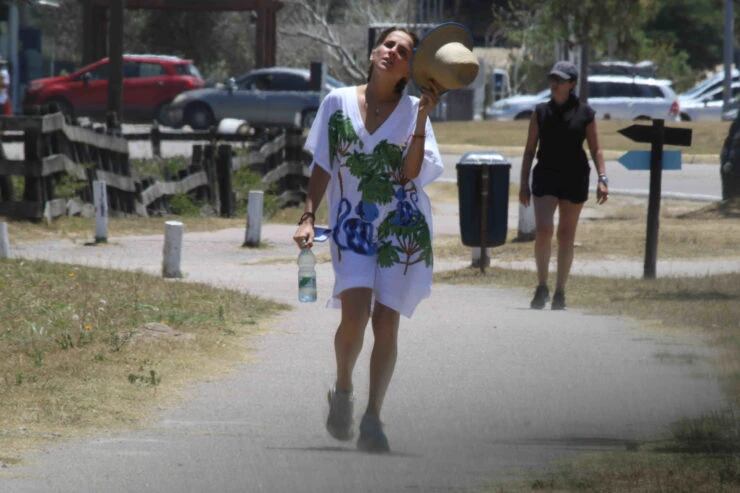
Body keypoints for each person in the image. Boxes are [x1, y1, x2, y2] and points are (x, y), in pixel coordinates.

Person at [292, 26, 445, 453]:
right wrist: (308, 216)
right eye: (388, 44)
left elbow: (413, 172)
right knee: (355, 315)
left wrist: (422, 120)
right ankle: (343, 390)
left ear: (410, 68)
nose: (393, 52)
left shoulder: (417, 109)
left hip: (402, 230)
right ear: (376, 50)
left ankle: (374, 416)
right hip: (352, 225)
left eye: (404, 51)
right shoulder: (337, 102)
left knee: (386, 324)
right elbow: (323, 162)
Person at [519, 61, 609, 310]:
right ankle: (541, 285)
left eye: (560, 79)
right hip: (546, 174)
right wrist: (523, 183)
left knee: (566, 235)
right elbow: (529, 151)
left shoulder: (585, 113)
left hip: (574, 176)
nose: (554, 83)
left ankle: (560, 291)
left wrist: (603, 178)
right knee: (544, 230)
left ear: (571, 84)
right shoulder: (540, 112)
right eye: (552, 79)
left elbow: (596, 148)